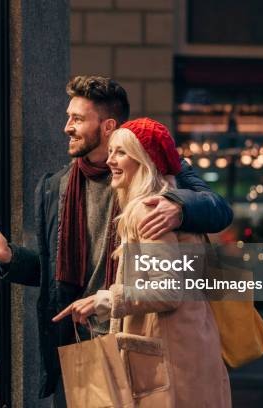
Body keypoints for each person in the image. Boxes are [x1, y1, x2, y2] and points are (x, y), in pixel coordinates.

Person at [0, 76, 233, 406]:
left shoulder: (153, 181)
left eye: (77, 118)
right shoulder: (56, 187)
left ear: (107, 125)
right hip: (82, 339)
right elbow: (54, 273)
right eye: (67, 117)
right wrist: (11, 257)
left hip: (136, 339)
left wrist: (179, 206)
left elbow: (218, 210)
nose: (67, 127)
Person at [53, 118, 231, 407]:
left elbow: (169, 291)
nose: (110, 160)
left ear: (144, 159)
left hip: (170, 364)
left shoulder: (148, 210)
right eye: (111, 151)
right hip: (188, 350)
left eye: (121, 152)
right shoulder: (168, 204)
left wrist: (108, 299)